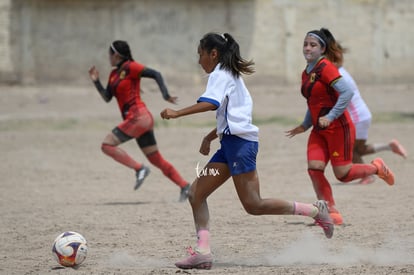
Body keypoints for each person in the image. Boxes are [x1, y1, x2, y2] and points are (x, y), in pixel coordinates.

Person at [160, 32, 334, 270]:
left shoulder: (221, 73)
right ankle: (202, 252)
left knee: (254, 205)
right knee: (196, 193)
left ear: (213, 53)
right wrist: (211, 136)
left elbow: (212, 104)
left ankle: (316, 210)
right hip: (230, 145)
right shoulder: (229, 75)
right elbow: (232, 115)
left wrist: (177, 113)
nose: (199, 60)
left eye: (200, 54)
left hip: (240, 146)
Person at [286, 28, 395, 225]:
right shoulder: (305, 73)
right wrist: (305, 124)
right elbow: (314, 102)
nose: (308, 48)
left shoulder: (326, 67)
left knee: (342, 175)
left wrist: (331, 115)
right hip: (319, 130)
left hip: (339, 128)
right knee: (314, 168)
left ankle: (376, 168)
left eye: (313, 45)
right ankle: (330, 211)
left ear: (322, 49)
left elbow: (346, 93)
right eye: (305, 44)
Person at [88, 40, 190, 202]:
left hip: (139, 117)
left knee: (106, 145)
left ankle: (139, 169)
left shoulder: (131, 66)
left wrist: (165, 95)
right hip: (140, 120)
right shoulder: (114, 74)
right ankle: (185, 186)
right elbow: (107, 97)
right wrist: (96, 81)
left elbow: (156, 74)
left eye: (110, 54)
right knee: (156, 159)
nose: (108, 57)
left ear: (116, 54)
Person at [338, 65, 407, 184]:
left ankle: (368, 175)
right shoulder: (340, 70)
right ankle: (389, 146)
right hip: (361, 114)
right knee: (358, 149)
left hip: (357, 117)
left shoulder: (337, 75)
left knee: (351, 151)